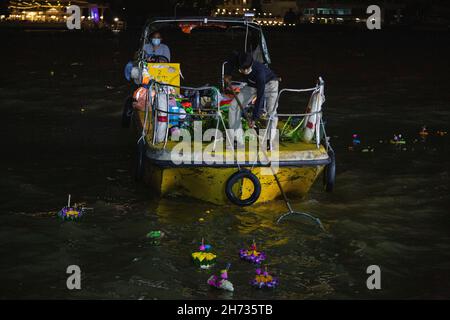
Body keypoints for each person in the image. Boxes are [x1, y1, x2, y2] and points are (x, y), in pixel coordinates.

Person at [224, 52, 279, 145]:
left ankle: (270, 141)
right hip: (251, 85)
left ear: (251, 64)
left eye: (247, 69)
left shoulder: (260, 73)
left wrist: (254, 119)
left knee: (271, 111)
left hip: (270, 84)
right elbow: (231, 59)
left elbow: (260, 97)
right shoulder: (238, 59)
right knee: (234, 106)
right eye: (243, 69)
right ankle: (238, 139)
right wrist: (227, 74)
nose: (245, 72)